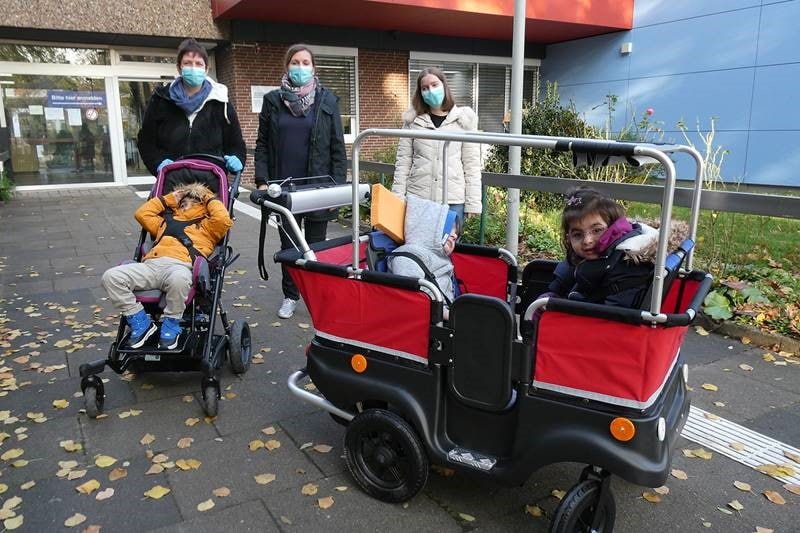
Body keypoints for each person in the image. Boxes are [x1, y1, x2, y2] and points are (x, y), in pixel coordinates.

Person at [254, 43, 347, 319]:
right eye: (295, 62)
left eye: (306, 63)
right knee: (290, 248)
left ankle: (316, 296)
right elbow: (262, 145)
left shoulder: (328, 101)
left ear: (314, 68)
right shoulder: (272, 102)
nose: (301, 67)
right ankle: (290, 295)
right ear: (287, 67)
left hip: (318, 187)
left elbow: (337, 149)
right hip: (284, 189)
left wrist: (337, 188)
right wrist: (262, 180)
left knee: (316, 247)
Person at [102, 183, 233, 349]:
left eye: (189, 203)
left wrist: (207, 196)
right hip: (150, 266)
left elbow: (223, 219)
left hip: (180, 266)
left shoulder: (208, 225)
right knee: (111, 277)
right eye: (182, 203)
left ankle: (172, 323)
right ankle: (140, 322)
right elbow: (141, 214)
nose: (183, 206)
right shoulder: (164, 222)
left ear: (200, 204)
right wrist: (168, 199)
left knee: (179, 279)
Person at [137, 38, 246, 177]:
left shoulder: (221, 102)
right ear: (179, 67)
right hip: (171, 180)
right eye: (187, 63)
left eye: (199, 64)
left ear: (206, 69)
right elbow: (146, 142)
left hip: (211, 181)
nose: (193, 68)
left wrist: (237, 158)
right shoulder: (161, 100)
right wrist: (158, 163)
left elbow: (236, 144)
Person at [392, 67, 482, 223]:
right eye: (425, 88)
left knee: (447, 246)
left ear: (444, 86)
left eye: (434, 85)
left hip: (452, 200)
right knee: (416, 246)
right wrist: (397, 197)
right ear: (420, 93)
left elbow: (472, 165)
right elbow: (403, 162)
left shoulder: (464, 121)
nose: (430, 91)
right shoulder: (413, 121)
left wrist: (472, 203)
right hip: (418, 198)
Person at [546, 186, 659, 309]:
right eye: (577, 235)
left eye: (597, 230)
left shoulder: (628, 264)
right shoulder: (579, 259)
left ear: (615, 228)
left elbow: (612, 316)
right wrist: (551, 296)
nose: (587, 241)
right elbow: (561, 283)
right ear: (569, 238)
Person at [387, 196, 459, 320]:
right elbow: (416, 299)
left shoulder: (439, 255)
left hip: (449, 310)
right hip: (432, 319)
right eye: (448, 228)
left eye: (456, 232)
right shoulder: (407, 258)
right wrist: (448, 314)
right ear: (430, 228)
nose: (454, 235)